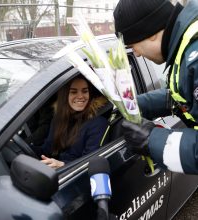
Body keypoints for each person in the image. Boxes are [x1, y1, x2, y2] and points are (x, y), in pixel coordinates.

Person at [113, 0, 198, 174]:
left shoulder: (195, 57)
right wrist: (139, 104)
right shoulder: (186, 48)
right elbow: (182, 96)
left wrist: (152, 140)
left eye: (133, 45)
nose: (135, 53)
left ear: (150, 32)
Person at [40, 75, 108, 168]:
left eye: (85, 91)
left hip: (74, 176)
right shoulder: (58, 119)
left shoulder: (98, 124)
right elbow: (47, 149)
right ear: (65, 95)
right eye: (73, 92)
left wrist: (62, 165)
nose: (80, 96)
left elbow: (91, 162)